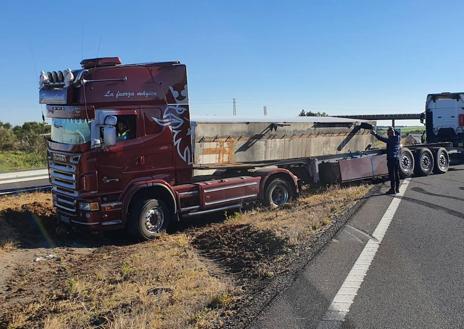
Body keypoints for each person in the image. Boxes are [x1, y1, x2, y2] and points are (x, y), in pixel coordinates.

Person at [371, 127, 401, 194]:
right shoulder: (398, 137)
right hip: (397, 158)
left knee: (392, 174)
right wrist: (392, 129)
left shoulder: (390, 140)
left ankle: (392, 189)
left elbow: (381, 138)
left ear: (389, 134)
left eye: (388, 133)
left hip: (391, 159)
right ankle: (397, 189)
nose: (387, 135)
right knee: (397, 174)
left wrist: (375, 134)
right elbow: (397, 132)